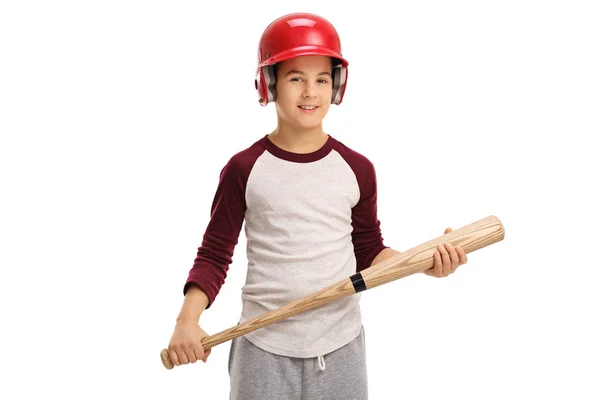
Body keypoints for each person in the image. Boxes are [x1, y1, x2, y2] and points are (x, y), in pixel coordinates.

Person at [167, 12, 468, 399]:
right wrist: (186, 321)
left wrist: (425, 262)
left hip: (340, 346)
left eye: (322, 79)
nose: (311, 92)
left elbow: (369, 251)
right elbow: (214, 253)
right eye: (296, 78)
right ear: (269, 82)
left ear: (336, 85)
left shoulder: (357, 169)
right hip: (262, 348)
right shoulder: (244, 168)